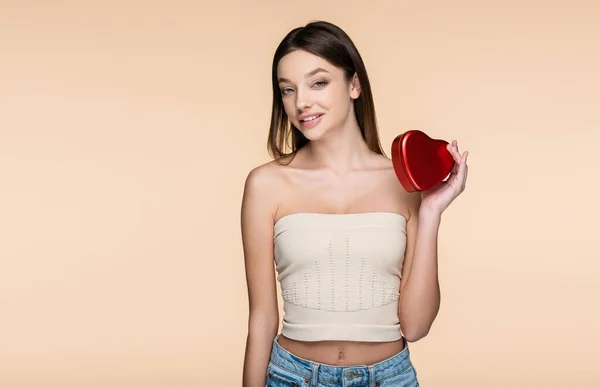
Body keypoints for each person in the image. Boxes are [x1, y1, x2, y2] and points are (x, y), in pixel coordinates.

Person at [240, 20, 469, 387]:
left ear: (354, 84)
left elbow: (416, 325)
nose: (301, 102)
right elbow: (262, 319)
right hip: (291, 376)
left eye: (318, 82)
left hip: (389, 378)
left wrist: (430, 212)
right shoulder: (266, 185)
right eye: (287, 89)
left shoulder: (404, 182)